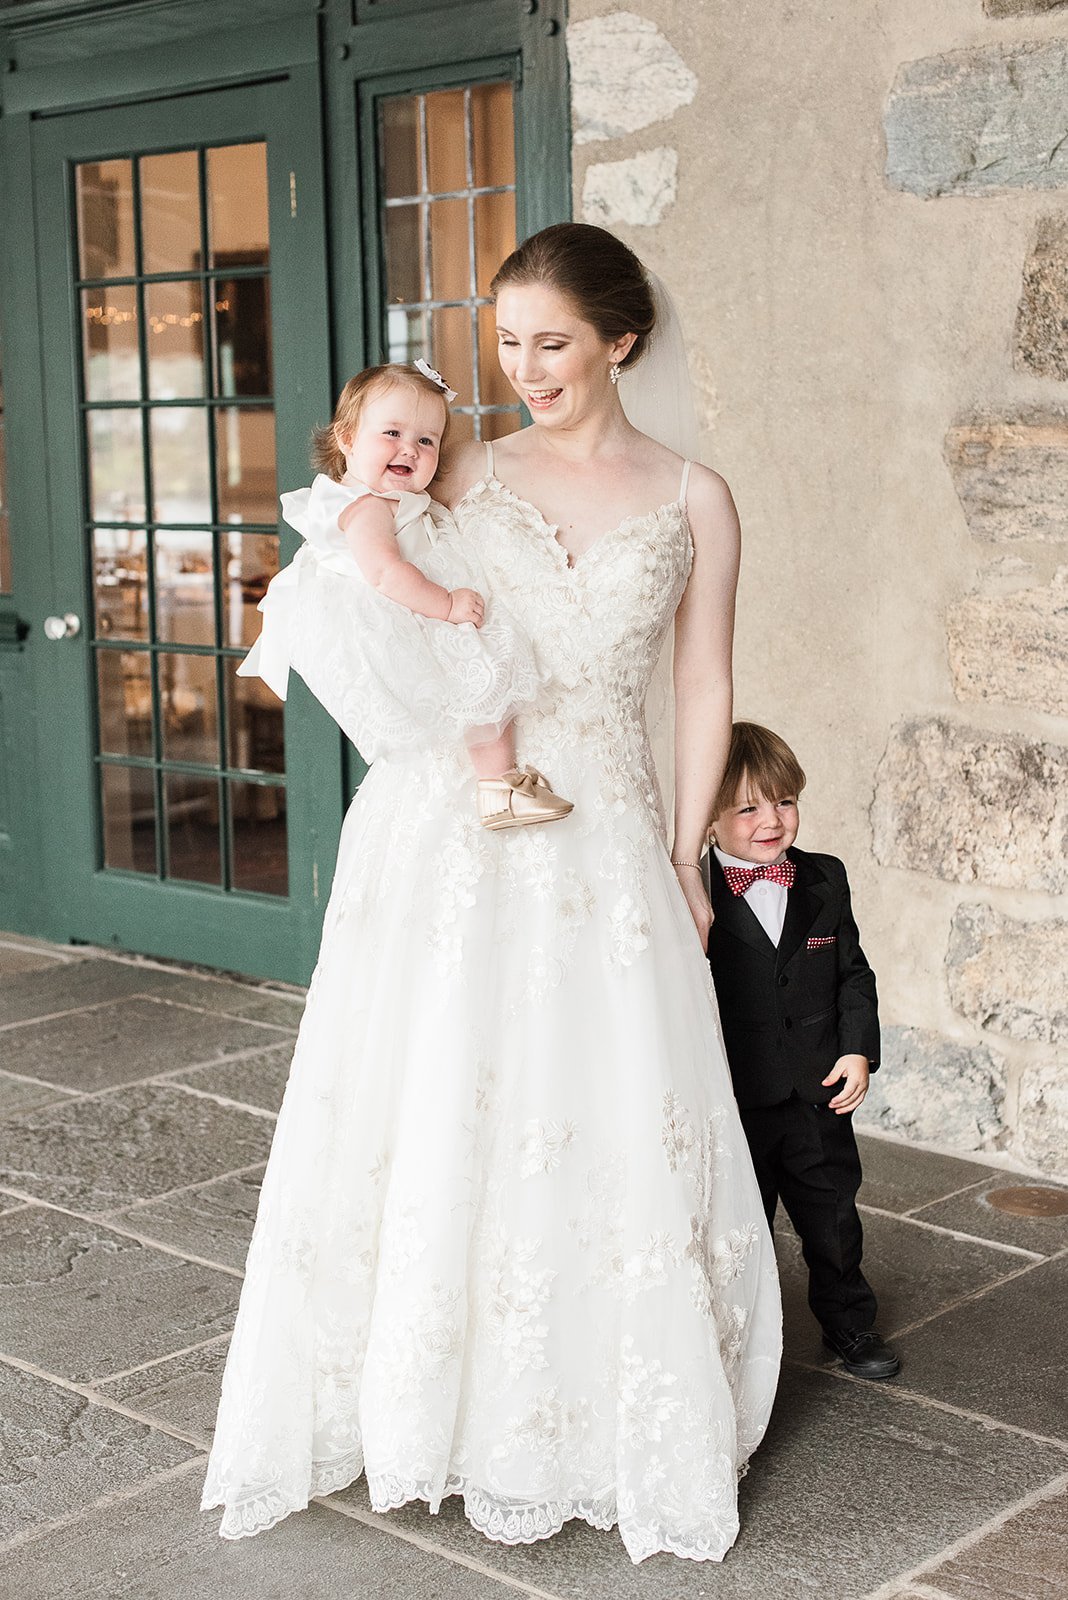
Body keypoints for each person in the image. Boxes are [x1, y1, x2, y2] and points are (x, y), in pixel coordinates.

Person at [202, 223, 781, 1566]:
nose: (524, 369)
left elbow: (703, 683)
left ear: (622, 340)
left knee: (596, 1096)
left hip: (610, 830)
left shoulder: (696, 498)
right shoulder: (459, 465)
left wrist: (687, 853)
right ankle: (428, 1399)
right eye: (507, 342)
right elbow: (353, 564)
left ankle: (587, 1401)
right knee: (445, 1093)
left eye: (553, 343)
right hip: (456, 825)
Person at [240, 359, 571, 829]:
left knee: (484, 684)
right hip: (409, 611)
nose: (409, 449)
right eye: (392, 433)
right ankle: (499, 787)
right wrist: (448, 605)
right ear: (347, 439)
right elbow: (385, 573)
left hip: (414, 603)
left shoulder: (381, 497)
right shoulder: (366, 507)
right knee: (486, 676)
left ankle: (498, 783)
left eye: (426, 441)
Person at [705, 720, 900, 1380]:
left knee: (833, 1219)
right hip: (738, 1098)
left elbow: (854, 974)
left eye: (784, 802)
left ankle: (849, 1324)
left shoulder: (824, 878)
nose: (771, 820)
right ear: (709, 818)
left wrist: (857, 1050)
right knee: (742, 1226)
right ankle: (743, 1340)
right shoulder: (695, 893)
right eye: (747, 808)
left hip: (818, 1094)